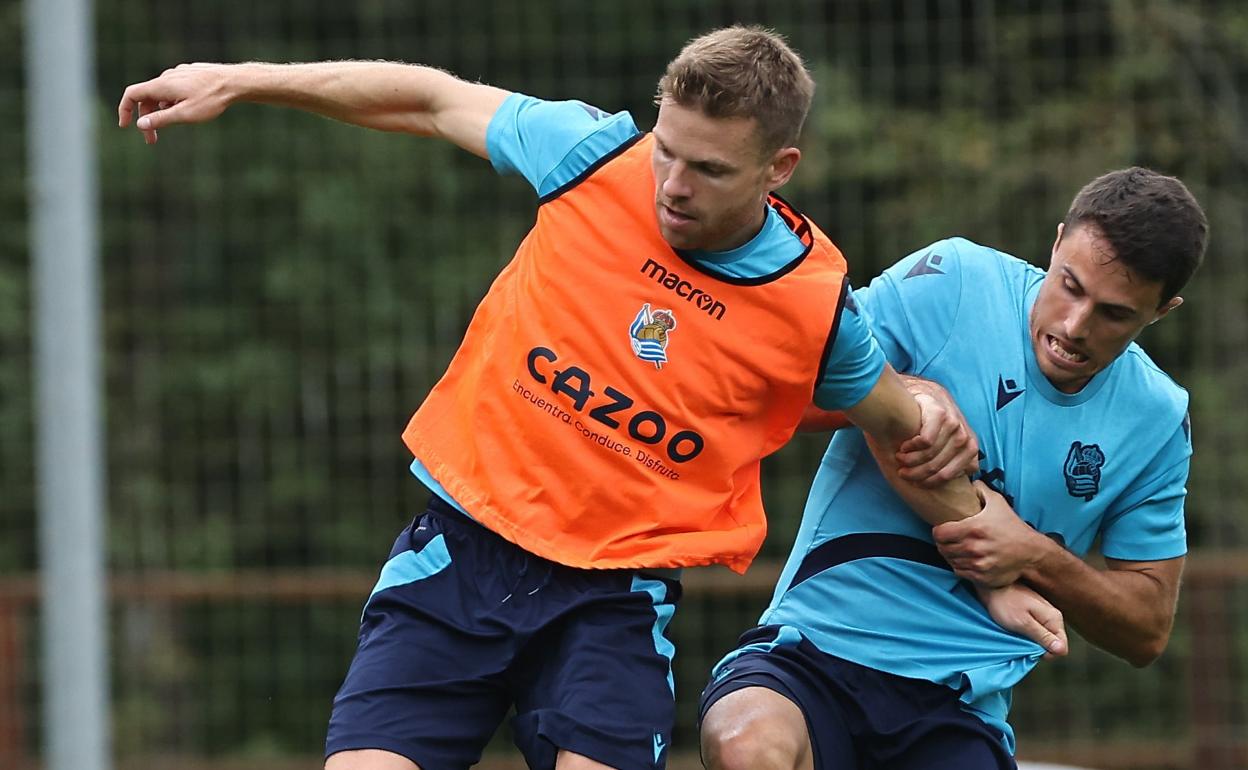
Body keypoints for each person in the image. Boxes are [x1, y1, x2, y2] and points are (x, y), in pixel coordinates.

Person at [117, 26, 1024, 770]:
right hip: (462, 554)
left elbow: (905, 435)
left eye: (709, 170)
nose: (672, 186)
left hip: (612, 600)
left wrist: (1007, 575)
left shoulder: (813, 306)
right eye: (667, 151)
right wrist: (241, 78)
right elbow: (429, 97)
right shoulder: (593, 155)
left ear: (778, 167)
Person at [699, 167, 1209, 770]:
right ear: (1056, 243)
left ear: (1163, 310)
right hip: (812, 648)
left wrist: (1033, 555)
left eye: (1114, 314)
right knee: (744, 741)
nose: (1075, 326)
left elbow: (1146, 629)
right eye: (1069, 286)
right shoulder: (955, 280)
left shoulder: (1156, 419)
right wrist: (906, 392)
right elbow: (773, 389)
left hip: (956, 704)